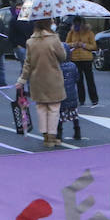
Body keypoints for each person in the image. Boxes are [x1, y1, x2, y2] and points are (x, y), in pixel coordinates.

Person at [17, 18, 68, 147]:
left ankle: (45, 136)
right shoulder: (54, 39)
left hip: (36, 79)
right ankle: (52, 136)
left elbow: (27, 63)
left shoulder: (30, 41)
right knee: (54, 108)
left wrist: (22, 80)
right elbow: (63, 56)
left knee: (41, 107)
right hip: (53, 78)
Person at [63, 16, 99, 106]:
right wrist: (73, 44)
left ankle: (94, 99)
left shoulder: (89, 33)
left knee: (90, 80)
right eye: (75, 24)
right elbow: (66, 44)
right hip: (75, 59)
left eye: (78, 23)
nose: (77, 26)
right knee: (79, 81)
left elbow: (94, 46)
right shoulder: (71, 33)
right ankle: (81, 99)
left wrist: (83, 45)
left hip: (86, 59)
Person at [58, 55, 83, 141]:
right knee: (74, 113)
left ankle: (59, 133)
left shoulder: (56, 66)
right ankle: (77, 131)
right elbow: (77, 78)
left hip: (60, 94)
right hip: (72, 93)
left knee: (60, 114)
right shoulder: (73, 66)